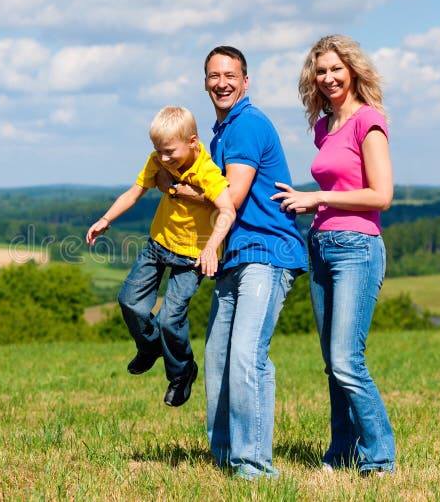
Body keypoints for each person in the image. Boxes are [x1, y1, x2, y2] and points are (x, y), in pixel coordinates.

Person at [168, 46, 308, 479]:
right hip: (237, 256)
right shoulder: (220, 133)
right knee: (220, 356)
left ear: (245, 82)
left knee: (248, 355)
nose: (222, 82)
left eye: (230, 75)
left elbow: (232, 197)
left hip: (266, 253)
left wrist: (179, 189)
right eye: (214, 76)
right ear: (205, 82)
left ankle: (253, 465)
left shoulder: (247, 124)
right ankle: (226, 454)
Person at [272, 34, 396, 475]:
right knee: (332, 365)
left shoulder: (368, 120)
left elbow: (381, 195)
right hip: (321, 246)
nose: (327, 78)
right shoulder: (325, 127)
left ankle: (379, 458)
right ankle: (341, 451)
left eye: (335, 69)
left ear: (353, 71)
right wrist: (304, 202)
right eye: (320, 71)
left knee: (347, 360)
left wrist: (316, 197)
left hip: (357, 249)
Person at [86, 106, 235, 407]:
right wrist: (106, 219)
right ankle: (150, 346)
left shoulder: (206, 171)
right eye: (158, 150)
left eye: (169, 152)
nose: (163, 158)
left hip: (192, 256)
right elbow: (134, 192)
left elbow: (228, 209)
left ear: (192, 141)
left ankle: (181, 373)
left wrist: (211, 248)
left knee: (169, 318)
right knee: (129, 300)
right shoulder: (158, 160)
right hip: (159, 243)